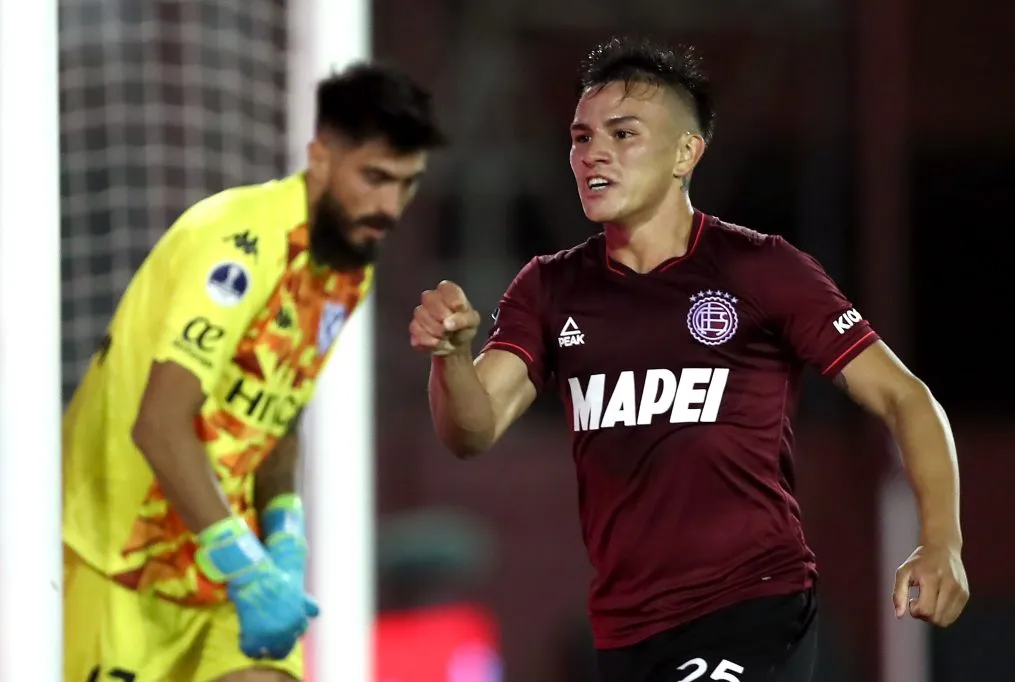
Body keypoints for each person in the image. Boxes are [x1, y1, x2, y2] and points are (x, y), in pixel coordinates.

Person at [409, 37, 968, 682]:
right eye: (582, 137)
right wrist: (451, 356)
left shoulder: (759, 268)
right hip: (628, 630)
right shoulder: (549, 288)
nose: (594, 153)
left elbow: (905, 397)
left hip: (754, 606)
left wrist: (942, 541)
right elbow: (472, 431)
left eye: (623, 135)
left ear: (686, 153)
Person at [63, 62, 445, 682]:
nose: (389, 207)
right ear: (320, 157)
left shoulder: (348, 268)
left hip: (223, 577)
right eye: (375, 177)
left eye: (408, 184)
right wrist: (244, 564)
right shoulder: (237, 243)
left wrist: (283, 530)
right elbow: (159, 424)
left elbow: (278, 409)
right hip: (120, 564)